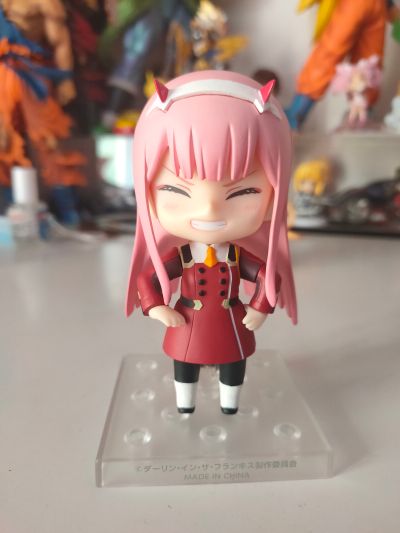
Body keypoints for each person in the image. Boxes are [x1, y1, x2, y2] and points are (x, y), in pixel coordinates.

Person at [126, 70, 297, 414]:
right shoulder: (182, 256)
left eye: (244, 192)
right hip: (187, 319)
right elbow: (148, 277)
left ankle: (230, 405)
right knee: (183, 364)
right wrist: (156, 306)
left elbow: (267, 275)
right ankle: (184, 404)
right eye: (175, 189)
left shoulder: (236, 255)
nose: (209, 209)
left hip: (231, 321)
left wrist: (260, 306)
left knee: (233, 365)